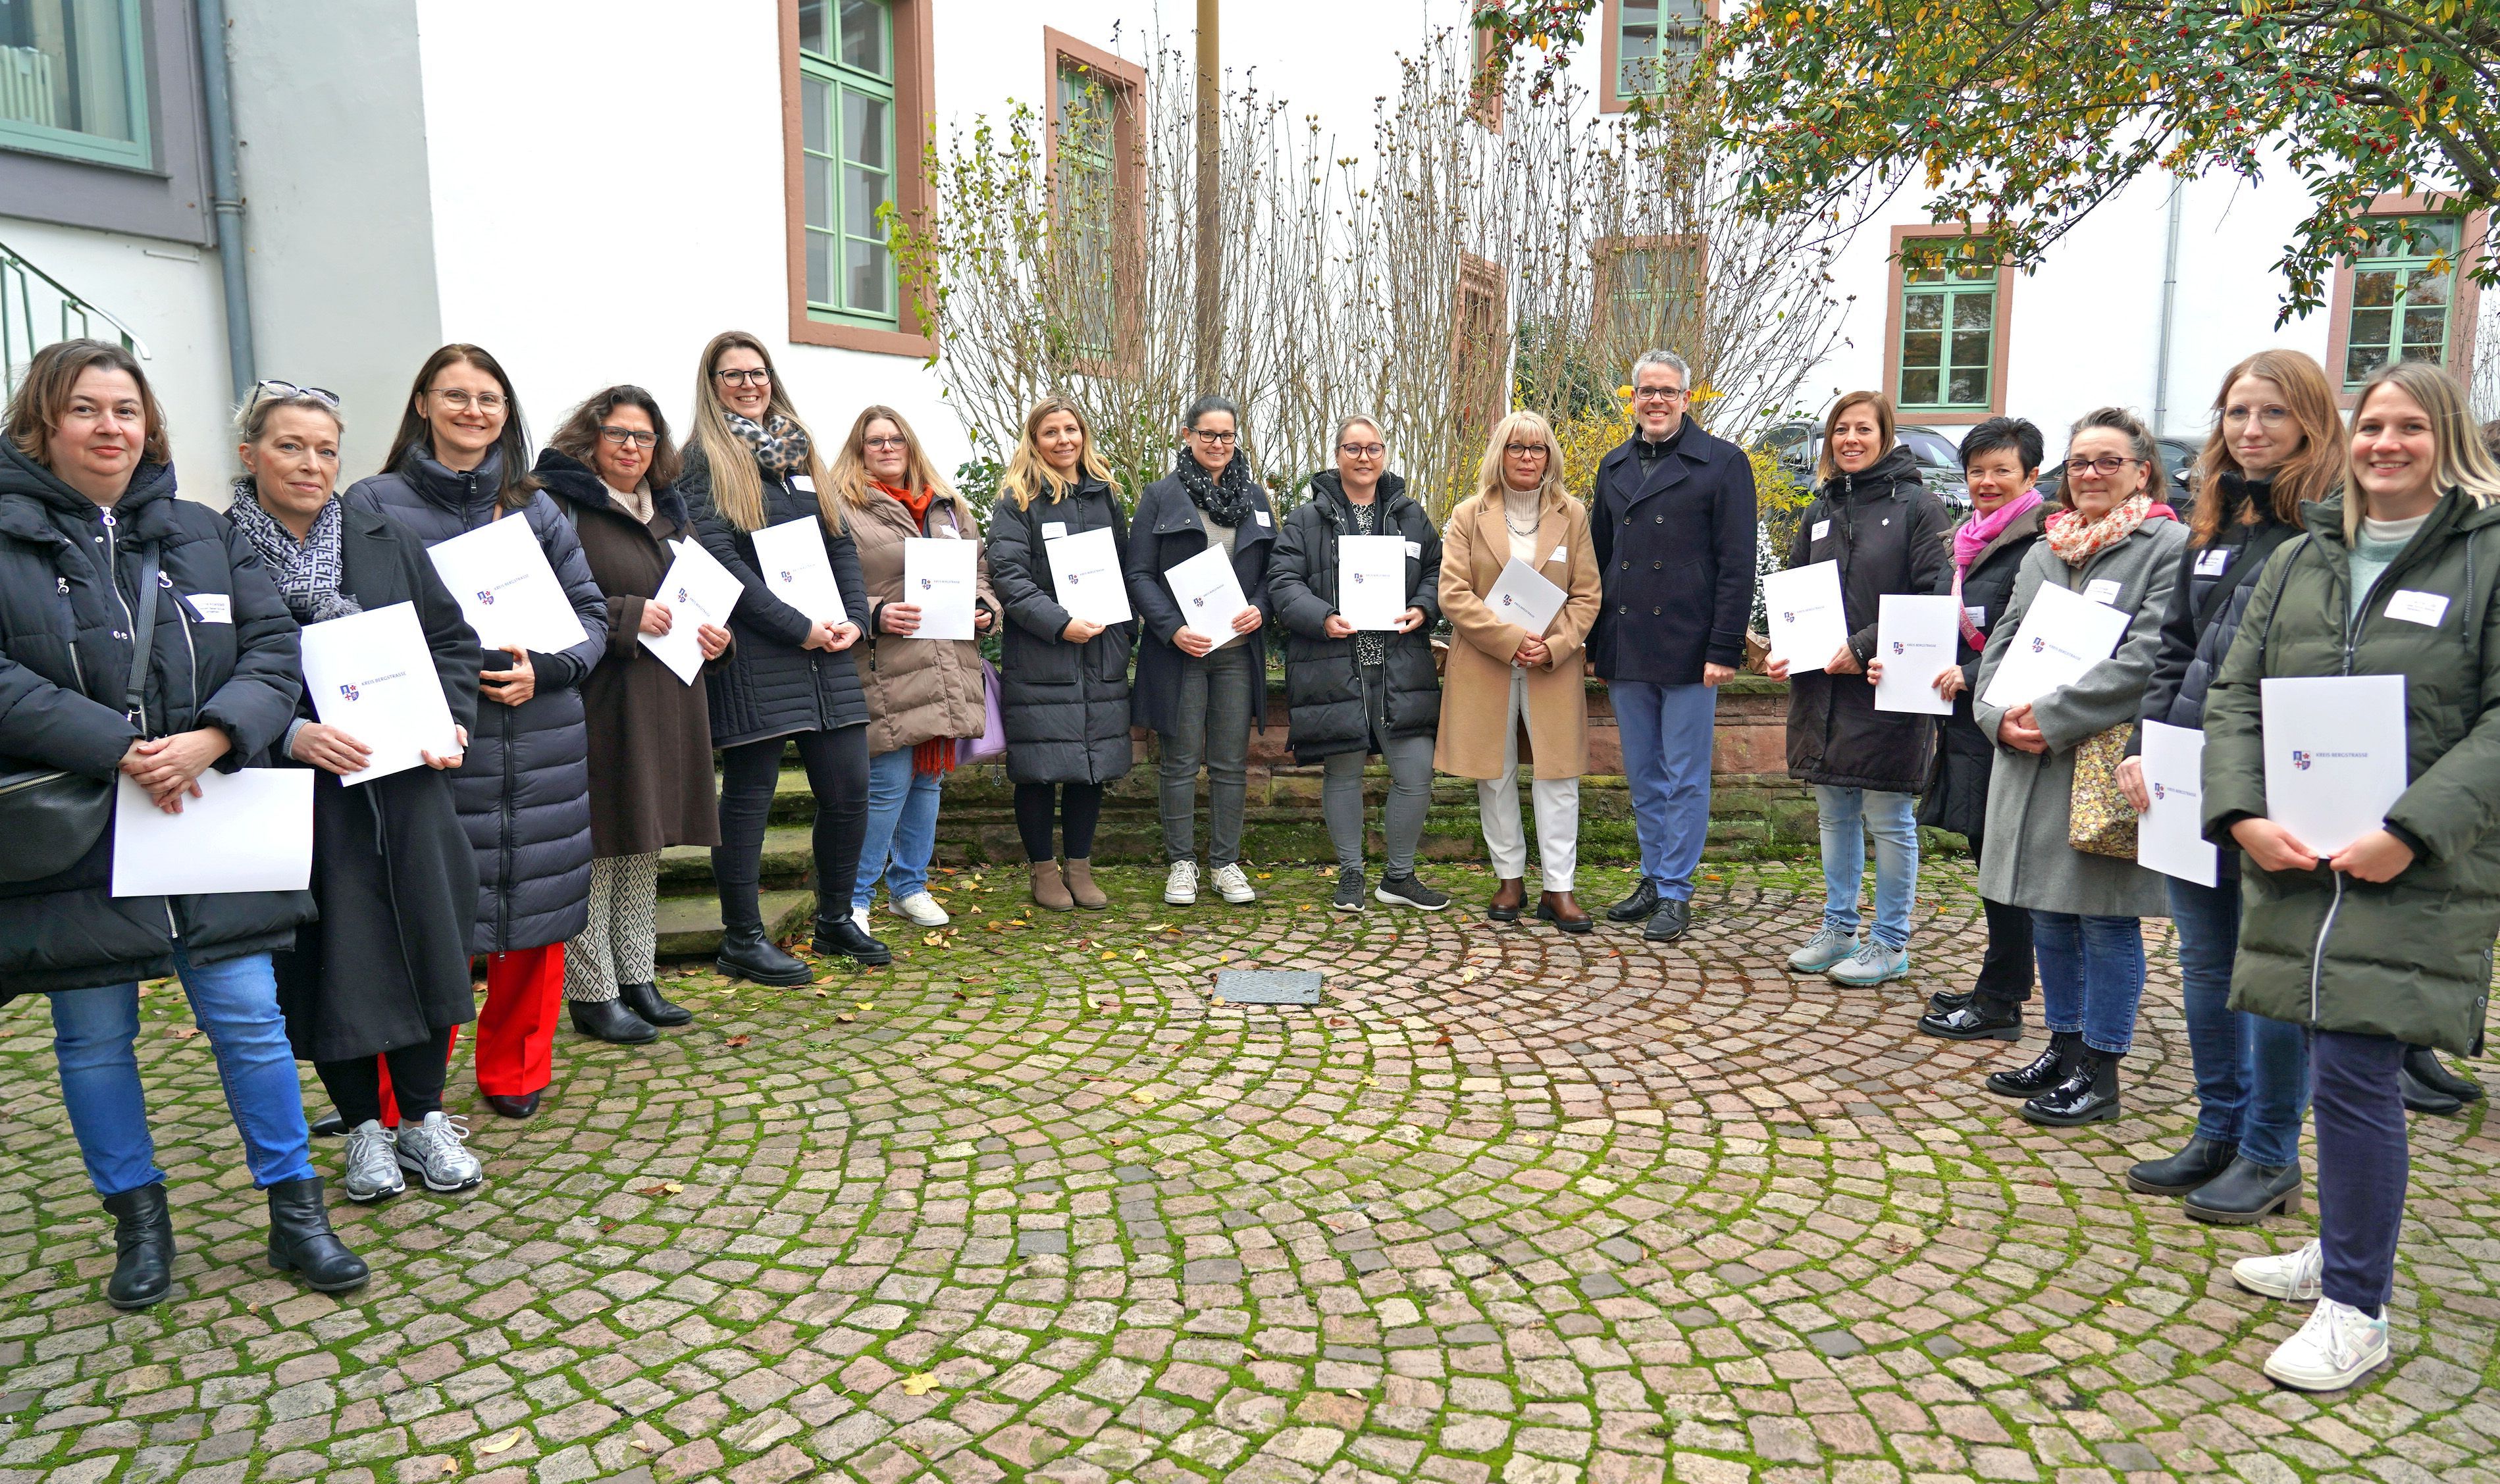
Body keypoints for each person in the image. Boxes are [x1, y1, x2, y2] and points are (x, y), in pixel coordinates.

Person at [0, 340, 364, 1302]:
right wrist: (111, 744)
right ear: (43, 423)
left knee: (248, 1017)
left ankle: (296, 1213)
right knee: (90, 1034)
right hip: (80, 821)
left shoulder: (203, 530)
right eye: (85, 409)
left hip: (206, 808)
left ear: (149, 426)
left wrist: (213, 735)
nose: (109, 426)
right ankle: (139, 1224)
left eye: (125, 409)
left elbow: (272, 649)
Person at [2206, 361, 2500, 1391]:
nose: (2383, 443)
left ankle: (2357, 1307)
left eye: (2408, 427)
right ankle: (2341, 1249)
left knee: (2357, 1067)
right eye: (2371, 424)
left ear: (2446, 437)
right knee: (2324, 1053)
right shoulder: (2300, 556)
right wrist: (2240, 811)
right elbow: (2237, 691)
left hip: (2413, 861)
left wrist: (2410, 832)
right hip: (2297, 845)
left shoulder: (2488, 556)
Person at [237, 382, 486, 1203]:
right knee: (332, 959)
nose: (312, 464)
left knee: (430, 938)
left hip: (406, 780)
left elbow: (451, 638)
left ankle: (423, 1116)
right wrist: (285, 735)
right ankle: (363, 1128)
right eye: (290, 446)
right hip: (301, 796)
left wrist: (450, 719)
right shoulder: (214, 549)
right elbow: (202, 670)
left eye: (326, 449)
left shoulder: (384, 536)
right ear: (250, 456)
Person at [346, 344, 608, 1121]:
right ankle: (404, 1089)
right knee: (424, 919)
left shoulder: (539, 506)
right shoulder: (373, 502)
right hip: (433, 736)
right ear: (422, 404)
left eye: (488, 397)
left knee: (535, 914)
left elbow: (592, 617)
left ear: (506, 411)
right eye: (455, 395)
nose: (473, 411)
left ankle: (517, 1067)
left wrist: (549, 671)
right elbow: (356, 621)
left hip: (541, 734)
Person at [2112, 351, 2339, 1220]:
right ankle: (2217, 1127)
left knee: (2268, 972)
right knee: (2205, 961)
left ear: (2310, 423)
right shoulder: (2212, 523)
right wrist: (2143, 745)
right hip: (2182, 773)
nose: (2249, 428)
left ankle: (2268, 1150)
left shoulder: (2325, 531)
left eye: (2271, 413)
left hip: (2274, 780)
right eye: (2237, 411)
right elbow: (2172, 645)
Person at [1969, 408, 2187, 1125]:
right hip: (2027, 756)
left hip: (2098, 758)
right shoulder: (2044, 549)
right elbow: (2001, 641)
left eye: (2107, 461)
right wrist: (1997, 715)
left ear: (2141, 471)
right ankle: (2061, 1048)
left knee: (2105, 918)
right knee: (2047, 911)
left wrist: (2052, 716)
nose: (2090, 473)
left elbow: (2150, 657)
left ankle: (2101, 1066)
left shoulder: (2166, 546)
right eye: (2079, 462)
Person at [679, 331, 887, 972]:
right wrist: (797, 625)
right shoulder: (702, 458)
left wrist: (854, 618)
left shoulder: (799, 451)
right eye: (732, 374)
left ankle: (833, 922)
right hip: (760, 656)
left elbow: (840, 544)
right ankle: (742, 938)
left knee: (850, 791)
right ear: (711, 385)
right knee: (749, 797)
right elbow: (720, 563)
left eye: (758, 372)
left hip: (826, 652)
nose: (748, 383)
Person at [537, 386, 729, 1040]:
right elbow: (540, 602)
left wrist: (717, 637)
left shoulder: (669, 510)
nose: (630, 448)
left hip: (670, 693)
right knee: (600, 840)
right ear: (590, 437)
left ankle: (638, 975)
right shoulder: (560, 504)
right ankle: (592, 991)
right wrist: (624, 614)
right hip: (603, 696)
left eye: (643, 437)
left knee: (644, 839)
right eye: (617, 434)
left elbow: (699, 593)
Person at [1774, 392, 1952, 986]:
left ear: (1886, 437)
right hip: (1823, 688)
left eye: (1863, 429)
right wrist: (1786, 648)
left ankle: (1891, 942)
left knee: (1888, 816)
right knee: (1834, 814)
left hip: (1885, 686)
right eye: (1841, 430)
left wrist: (1866, 646)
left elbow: (1935, 594)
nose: (1851, 439)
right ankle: (1839, 927)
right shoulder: (1819, 508)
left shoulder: (1918, 507)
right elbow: (1799, 592)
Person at [1589, 351, 1758, 942]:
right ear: (1631, 399)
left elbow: (1739, 567)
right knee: (1644, 773)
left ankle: (1677, 890)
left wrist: (1724, 647)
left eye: (1667, 390)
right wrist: (1596, 641)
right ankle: (1653, 875)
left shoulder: (1724, 463)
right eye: (1644, 390)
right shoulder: (1612, 467)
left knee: (1685, 775)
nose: (1655, 400)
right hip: (1628, 644)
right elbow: (1600, 563)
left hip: (1691, 648)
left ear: (1687, 398)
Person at [1268, 415, 1449, 913]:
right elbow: (1282, 582)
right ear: (1337, 454)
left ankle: (1399, 876)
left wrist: (1423, 607)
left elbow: (1438, 569)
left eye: (1373, 448)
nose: (1364, 457)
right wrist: (1322, 616)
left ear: (1385, 453)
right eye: (1353, 448)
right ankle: (1351, 873)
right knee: (1343, 773)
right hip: (1335, 666)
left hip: (1400, 669)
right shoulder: (1306, 519)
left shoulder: (1411, 513)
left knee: (1415, 774)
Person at [1437, 411, 1604, 928]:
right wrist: (1509, 639)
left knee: (1558, 776)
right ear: (1500, 454)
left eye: (1537, 448)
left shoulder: (1572, 514)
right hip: (1486, 662)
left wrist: (1554, 645)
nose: (1528, 456)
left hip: (1552, 664)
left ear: (1550, 456)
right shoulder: (1469, 514)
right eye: (1517, 447)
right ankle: (1509, 879)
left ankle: (1560, 888)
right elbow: (1453, 592)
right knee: (1496, 771)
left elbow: (1588, 593)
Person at [837, 405, 999, 931]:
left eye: (895, 440)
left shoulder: (949, 508)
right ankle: (854, 898)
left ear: (910, 446)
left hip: (948, 660)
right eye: (874, 441)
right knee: (886, 783)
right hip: (887, 663)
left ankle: (909, 887)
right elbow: (830, 586)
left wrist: (985, 609)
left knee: (928, 782)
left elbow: (980, 571)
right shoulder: (841, 508)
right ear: (859, 450)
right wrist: (877, 612)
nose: (887, 448)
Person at [1913, 418, 2049, 1040]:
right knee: (1986, 856)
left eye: (2002, 470)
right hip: (1969, 725)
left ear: (2031, 476)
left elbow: (2039, 639)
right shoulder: (1966, 541)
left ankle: (2001, 1000)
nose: (1987, 482)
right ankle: (2001, 982)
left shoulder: (2040, 542)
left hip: (2012, 725)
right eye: (1977, 471)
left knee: (2007, 862)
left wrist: (1971, 673)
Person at [1124, 395, 1276, 908]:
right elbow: (1138, 574)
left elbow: (1275, 572)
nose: (1218, 444)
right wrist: (1170, 629)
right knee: (1181, 761)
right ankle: (1181, 864)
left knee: (1232, 762)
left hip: (1237, 650)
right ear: (1187, 435)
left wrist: (1260, 607)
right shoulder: (1161, 496)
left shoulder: (1255, 497)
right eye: (1208, 434)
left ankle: (1226, 864)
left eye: (1227, 435)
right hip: (1182, 652)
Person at [986, 397, 1133, 911]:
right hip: (1043, 653)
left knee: (1091, 764)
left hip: (1100, 649)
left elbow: (1123, 567)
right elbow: (1009, 577)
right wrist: (1060, 623)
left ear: (1084, 435)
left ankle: (1080, 865)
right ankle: (1044, 871)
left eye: (1072, 429)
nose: (1064, 439)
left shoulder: (1105, 495)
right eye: (1051, 431)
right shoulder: (1017, 501)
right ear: (1035, 439)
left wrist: (1122, 632)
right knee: (1040, 766)